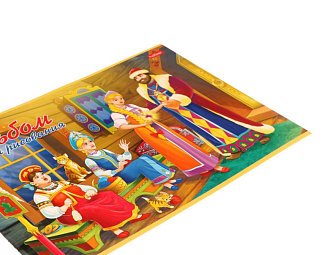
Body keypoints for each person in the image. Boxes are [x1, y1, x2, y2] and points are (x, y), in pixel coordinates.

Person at [129, 68, 274, 160]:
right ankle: (235, 149)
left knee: (224, 122)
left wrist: (176, 100)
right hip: (182, 115)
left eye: (140, 75)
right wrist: (146, 112)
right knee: (208, 131)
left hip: (196, 107)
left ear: (146, 73)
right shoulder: (143, 90)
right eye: (136, 78)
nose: (139, 79)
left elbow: (184, 89)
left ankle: (258, 136)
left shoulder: (166, 78)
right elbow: (151, 104)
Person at [105, 91, 230, 178]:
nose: (120, 101)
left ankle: (208, 166)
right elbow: (122, 126)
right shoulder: (115, 114)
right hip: (146, 131)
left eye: (120, 98)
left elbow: (149, 114)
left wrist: (161, 105)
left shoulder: (130, 106)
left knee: (182, 143)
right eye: (115, 100)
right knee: (172, 149)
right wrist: (140, 125)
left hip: (155, 125)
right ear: (110, 102)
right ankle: (202, 169)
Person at [20, 165, 150, 239]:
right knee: (94, 208)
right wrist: (63, 207)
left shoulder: (59, 183)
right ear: (34, 183)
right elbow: (47, 212)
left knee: (109, 195)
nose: (43, 177)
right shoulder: (40, 195)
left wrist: (89, 190)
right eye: (37, 177)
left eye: (42, 173)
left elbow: (80, 187)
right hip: (70, 213)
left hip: (85, 200)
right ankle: (116, 229)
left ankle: (133, 216)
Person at [69, 131, 183, 190]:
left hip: (124, 170)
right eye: (85, 144)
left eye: (90, 141)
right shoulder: (89, 160)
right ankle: (165, 183)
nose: (90, 144)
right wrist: (118, 169)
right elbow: (99, 173)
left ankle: (167, 179)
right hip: (119, 177)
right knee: (138, 162)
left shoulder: (104, 151)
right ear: (81, 148)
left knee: (145, 157)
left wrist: (126, 151)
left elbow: (120, 158)